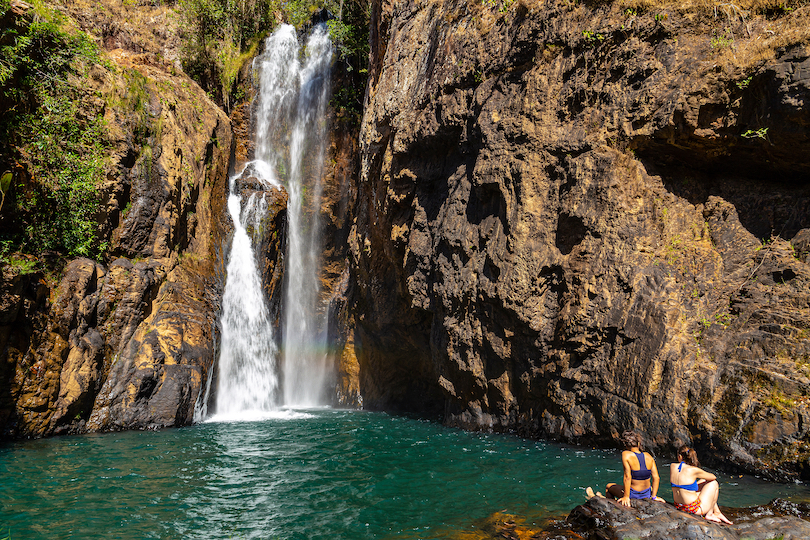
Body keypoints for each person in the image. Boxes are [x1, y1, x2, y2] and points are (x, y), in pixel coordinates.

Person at [586, 430, 664, 505]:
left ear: (626, 445)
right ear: (639, 443)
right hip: (647, 494)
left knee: (608, 486)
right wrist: (653, 497)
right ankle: (604, 498)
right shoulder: (648, 456)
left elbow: (627, 477)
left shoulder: (626, 454)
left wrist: (626, 496)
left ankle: (609, 503)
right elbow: (656, 478)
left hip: (633, 495)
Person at [670, 445, 733, 524]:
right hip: (693, 509)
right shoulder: (694, 470)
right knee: (713, 483)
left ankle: (717, 512)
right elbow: (713, 477)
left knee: (703, 481)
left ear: (679, 456)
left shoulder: (672, 466)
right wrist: (699, 473)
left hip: (679, 506)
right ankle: (710, 514)